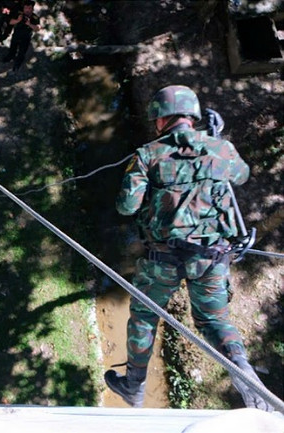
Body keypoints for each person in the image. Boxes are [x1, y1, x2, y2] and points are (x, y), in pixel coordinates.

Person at [104, 85, 271, 411]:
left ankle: (134, 386)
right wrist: (217, 138)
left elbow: (126, 206)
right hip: (211, 258)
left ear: (160, 120)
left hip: (161, 260)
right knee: (213, 320)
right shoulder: (219, 149)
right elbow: (242, 175)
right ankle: (242, 368)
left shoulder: (148, 155)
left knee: (143, 316)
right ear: (192, 116)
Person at [1, 1, 39, 72]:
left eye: (29, 8)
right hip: (16, 35)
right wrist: (18, 20)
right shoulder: (19, 14)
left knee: (22, 52)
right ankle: (10, 57)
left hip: (26, 38)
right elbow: (10, 22)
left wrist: (29, 24)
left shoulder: (34, 17)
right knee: (12, 48)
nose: (27, 10)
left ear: (32, 9)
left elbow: (37, 28)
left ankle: (17, 64)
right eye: (26, 8)